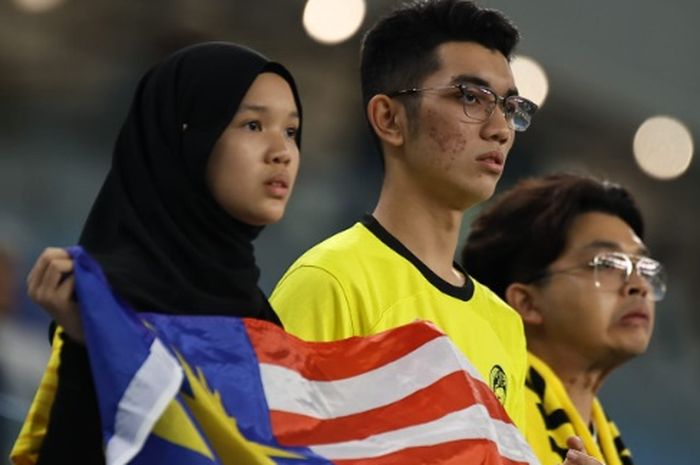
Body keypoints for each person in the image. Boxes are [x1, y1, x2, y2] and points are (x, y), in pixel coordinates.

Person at [12, 41, 302, 465]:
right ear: (187, 136)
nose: (282, 152)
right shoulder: (110, 300)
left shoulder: (260, 319)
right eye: (253, 125)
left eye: (292, 131)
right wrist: (83, 344)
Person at [271, 0, 536, 429]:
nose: (501, 129)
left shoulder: (504, 324)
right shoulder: (332, 282)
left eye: (508, 107)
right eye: (470, 97)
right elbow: (268, 450)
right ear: (389, 118)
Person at [461, 173, 663, 465]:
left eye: (643, 266)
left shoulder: (605, 440)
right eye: (607, 264)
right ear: (527, 303)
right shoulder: (486, 413)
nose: (638, 285)